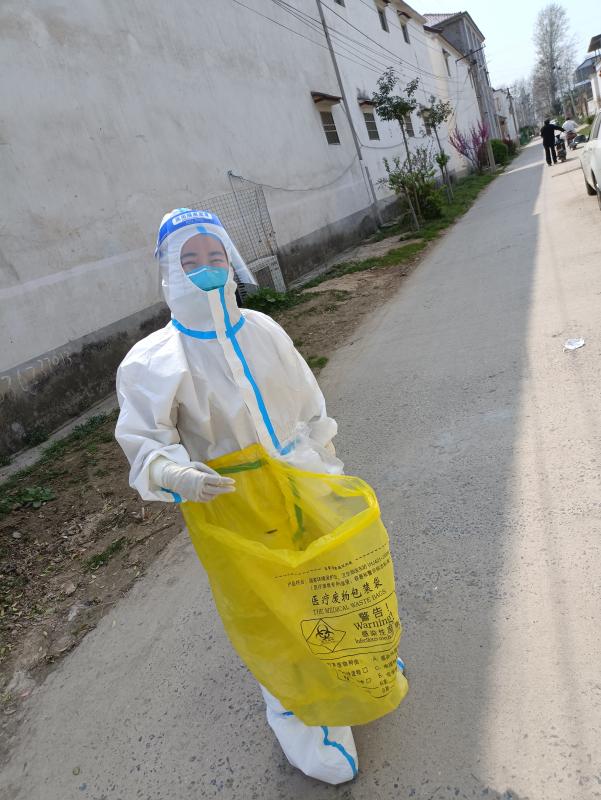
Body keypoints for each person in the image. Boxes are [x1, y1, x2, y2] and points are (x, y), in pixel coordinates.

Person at [115, 209, 358, 784]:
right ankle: (302, 718)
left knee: (327, 584)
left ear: (231, 261)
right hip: (231, 502)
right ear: (168, 271)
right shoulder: (153, 360)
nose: (205, 269)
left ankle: (349, 670)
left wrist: (324, 460)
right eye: (189, 260)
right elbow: (146, 443)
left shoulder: (263, 330)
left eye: (214, 256)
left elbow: (307, 401)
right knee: (268, 613)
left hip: (301, 482)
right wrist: (179, 476)